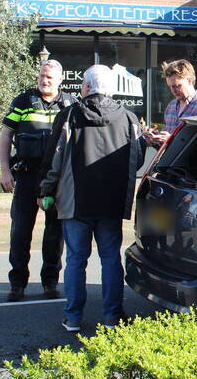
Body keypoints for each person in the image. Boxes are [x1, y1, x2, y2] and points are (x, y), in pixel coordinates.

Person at [39, 64, 143, 332]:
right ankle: (113, 316)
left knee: (76, 260)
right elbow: (138, 158)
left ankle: (73, 317)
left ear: (86, 87)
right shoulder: (129, 118)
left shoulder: (69, 115)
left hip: (76, 201)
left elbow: (55, 159)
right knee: (110, 259)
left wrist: (46, 190)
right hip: (111, 201)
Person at [0, 59, 75, 302]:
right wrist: (4, 170)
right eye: (42, 76)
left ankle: (50, 282)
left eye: (49, 78)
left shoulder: (70, 104)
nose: (44, 81)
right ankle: (18, 283)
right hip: (27, 174)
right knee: (20, 230)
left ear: (60, 79)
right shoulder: (23, 101)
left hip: (56, 179)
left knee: (54, 233)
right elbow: (5, 135)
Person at [144, 58, 197, 147]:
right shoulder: (171, 106)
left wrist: (172, 139)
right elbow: (166, 145)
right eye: (170, 86)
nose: (173, 90)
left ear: (189, 81)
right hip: (170, 160)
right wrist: (155, 138)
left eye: (177, 86)